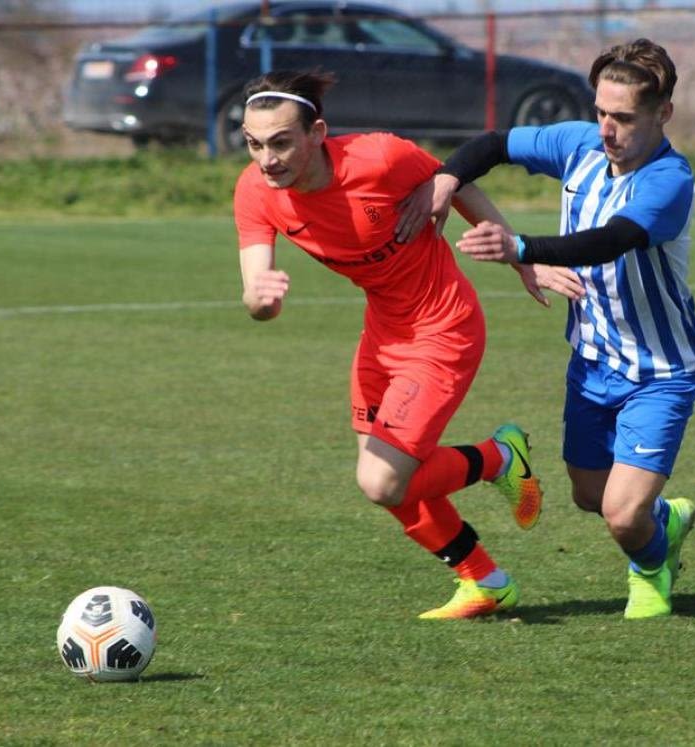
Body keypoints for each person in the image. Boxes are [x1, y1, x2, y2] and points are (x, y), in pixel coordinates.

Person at [398, 39, 695, 619]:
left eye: (624, 118)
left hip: (661, 370)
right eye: (601, 112)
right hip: (592, 362)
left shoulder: (669, 179)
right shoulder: (580, 143)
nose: (607, 130)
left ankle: (651, 569)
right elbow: (493, 145)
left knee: (621, 514)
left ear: (662, 114)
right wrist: (445, 179)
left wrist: (520, 249)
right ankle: (664, 519)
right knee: (590, 496)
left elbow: (612, 239)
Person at [233, 69, 550, 620]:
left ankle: (500, 457)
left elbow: (458, 181)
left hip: (444, 329)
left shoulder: (380, 157)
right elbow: (257, 294)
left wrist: (520, 255)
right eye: (254, 143)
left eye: (281, 142)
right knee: (389, 479)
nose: (267, 159)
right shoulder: (255, 192)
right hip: (382, 336)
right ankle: (486, 581)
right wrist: (260, 300)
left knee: (381, 480)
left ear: (317, 133)